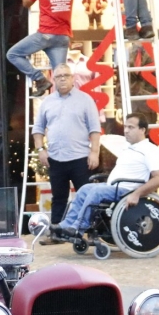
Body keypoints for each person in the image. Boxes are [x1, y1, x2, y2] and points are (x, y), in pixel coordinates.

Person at [53, 113, 159, 237]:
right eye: (125, 127)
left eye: (131, 127)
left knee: (97, 192)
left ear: (142, 130)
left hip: (126, 190)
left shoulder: (150, 150)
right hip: (114, 187)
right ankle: (66, 225)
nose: (126, 131)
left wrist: (136, 194)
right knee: (85, 189)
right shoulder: (128, 147)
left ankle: (78, 227)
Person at [7, 0, 85, 97]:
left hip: (45, 35)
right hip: (63, 37)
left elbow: (26, 3)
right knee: (60, 76)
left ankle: (39, 79)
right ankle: (67, 102)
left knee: (12, 54)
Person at [32, 64, 101, 226]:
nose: (62, 79)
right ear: (53, 80)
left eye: (66, 75)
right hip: (56, 158)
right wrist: (41, 150)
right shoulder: (47, 102)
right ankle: (57, 232)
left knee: (87, 197)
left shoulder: (85, 100)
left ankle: (90, 232)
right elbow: (38, 128)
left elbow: (95, 128)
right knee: (58, 198)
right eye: (58, 76)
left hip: (81, 158)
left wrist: (94, 152)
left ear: (73, 78)